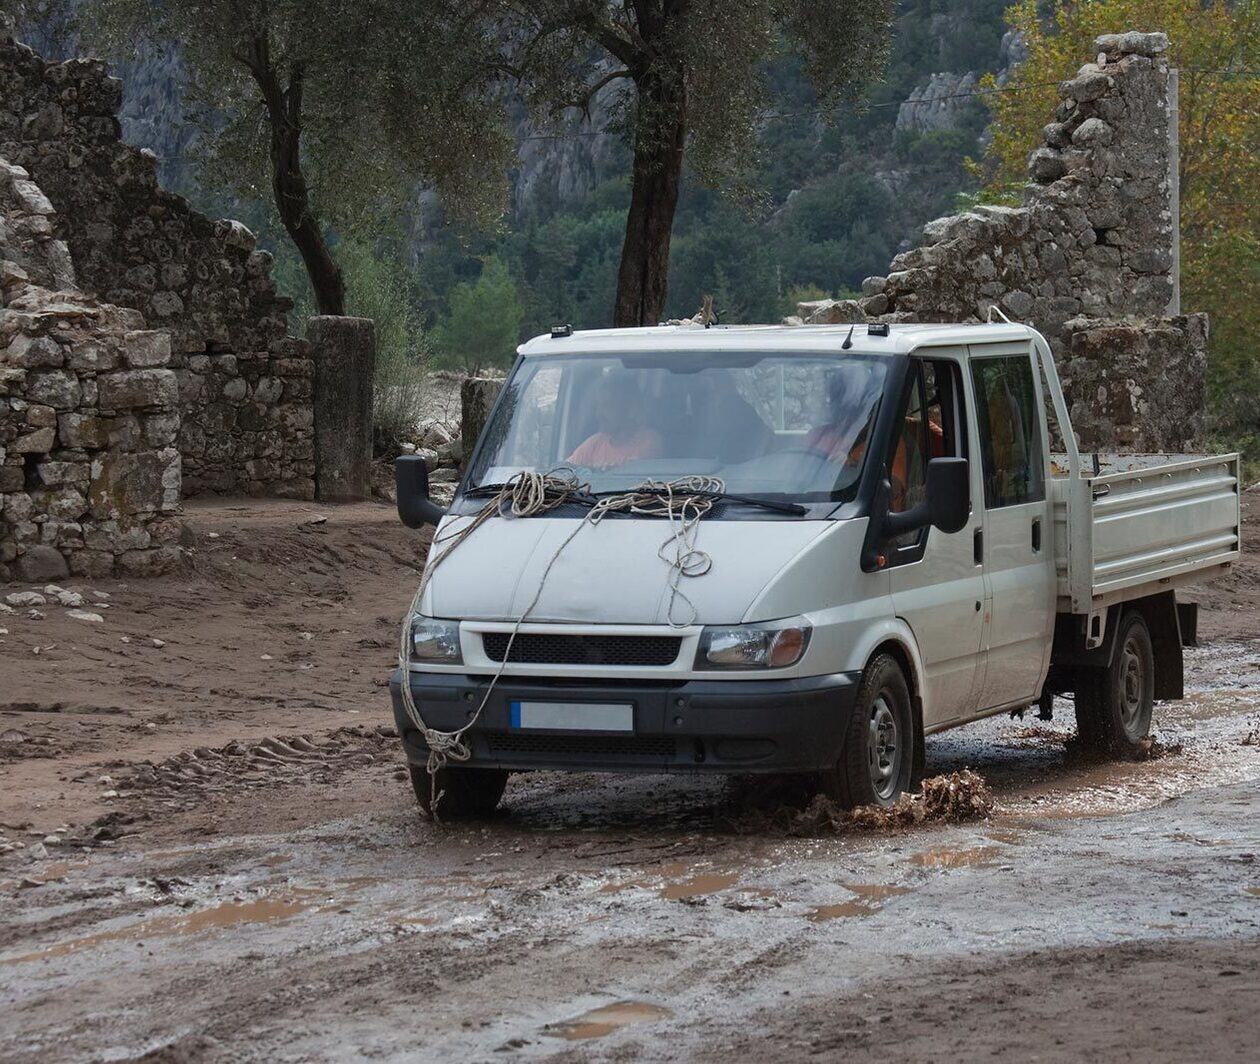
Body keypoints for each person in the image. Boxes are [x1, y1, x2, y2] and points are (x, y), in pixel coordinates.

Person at [568, 375, 664, 469]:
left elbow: (636, 481)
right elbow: (564, 471)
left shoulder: (648, 442)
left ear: (631, 408)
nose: (598, 414)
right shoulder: (595, 443)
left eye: (607, 406)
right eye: (598, 406)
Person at [689, 370, 772, 464]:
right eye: (700, 394)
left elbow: (766, 443)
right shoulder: (681, 429)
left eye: (712, 392)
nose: (707, 399)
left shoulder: (743, 413)